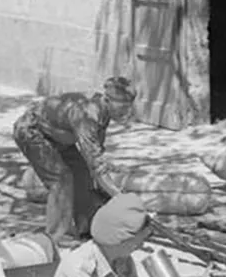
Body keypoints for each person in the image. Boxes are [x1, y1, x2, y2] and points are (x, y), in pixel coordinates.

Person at [13, 75, 137, 244]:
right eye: (122, 106)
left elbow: (95, 153)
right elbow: (97, 164)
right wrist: (120, 197)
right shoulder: (88, 115)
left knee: (82, 173)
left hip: (58, 137)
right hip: (32, 131)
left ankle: (86, 229)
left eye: (129, 106)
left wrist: (107, 180)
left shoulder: (103, 112)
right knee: (61, 179)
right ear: (108, 100)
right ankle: (54, 237)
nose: (127, 112)